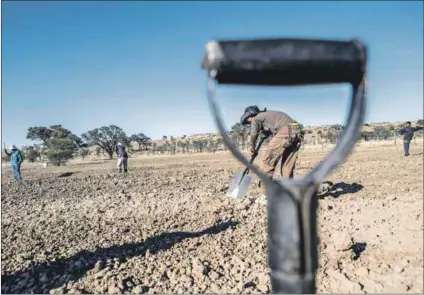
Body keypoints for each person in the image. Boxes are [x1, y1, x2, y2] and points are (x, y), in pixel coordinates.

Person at [241, 106, 303, 203]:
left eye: (248, 120)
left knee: (266, 162)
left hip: (285, 132)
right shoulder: (268, 117)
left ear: (251, 115)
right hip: (297, 132)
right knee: (287, 166)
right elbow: (263, 136)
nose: (249, 122)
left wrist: (252, 147)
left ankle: (266, 196)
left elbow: (254, 135)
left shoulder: (256, 118)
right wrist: (261, 140)